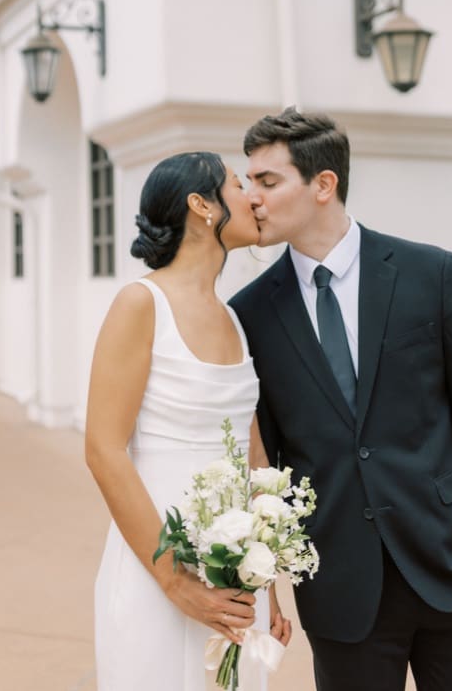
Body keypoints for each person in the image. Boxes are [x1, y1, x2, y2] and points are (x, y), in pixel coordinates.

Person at [230, 108, 452, 690]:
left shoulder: (428, 273)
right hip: (343, 591)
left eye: (267, 181)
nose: (252, 198)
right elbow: (272, 459)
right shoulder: (251, 312)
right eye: (248, 182)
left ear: (323, 184)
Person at [87, 152, 290, 690]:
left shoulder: (234, 320)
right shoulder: (140, 304)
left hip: (236, 580)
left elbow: (255, 458)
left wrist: (267, 579)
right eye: (235, 183)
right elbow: (103, 449)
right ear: (201, 206)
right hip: (158, 567)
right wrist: (176, 583)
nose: (252, 195)